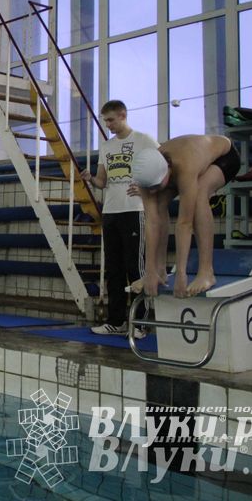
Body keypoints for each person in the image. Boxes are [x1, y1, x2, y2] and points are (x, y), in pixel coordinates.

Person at [79, 100, 157, 336]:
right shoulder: (107, 146)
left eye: (111, 120)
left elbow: (163, 169)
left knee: (136, 267)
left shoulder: (144, 140)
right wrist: (91, 178)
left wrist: (146, 187)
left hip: (134, 210)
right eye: (106, 121)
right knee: (113, 269)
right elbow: (103, 182)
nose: (109, 125)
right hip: (111, 211)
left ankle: (141, 324)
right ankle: (116, 320)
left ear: (123, 115)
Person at [131, 134, 239, 298]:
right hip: (181, 166)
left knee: (200, 194)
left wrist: (181, 273)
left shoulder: (186, 165)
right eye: (149, 187)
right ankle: (160, 270)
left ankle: (206, 272)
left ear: (167, 170)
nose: (152, 191)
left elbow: (184, 224)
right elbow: (152, 223)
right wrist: (149, 270)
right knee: (158, 202)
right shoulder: (145, 173)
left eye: (156, 185)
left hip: (225, 156)